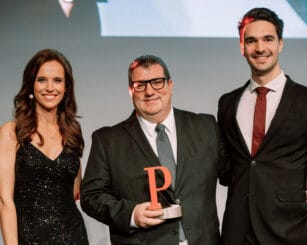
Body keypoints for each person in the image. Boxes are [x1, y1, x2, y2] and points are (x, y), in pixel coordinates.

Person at [80, 55, 221, 245]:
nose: (149, 91)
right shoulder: (108, 140)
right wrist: (130, 214)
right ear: (131, 90)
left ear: (170, 85)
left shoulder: (205, 126)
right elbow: (91, 197)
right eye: (140, 85)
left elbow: (235, 174)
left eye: (157, 82)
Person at [217, 7, 307, 245]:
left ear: (280, 44)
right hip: (237, 234)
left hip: (291, 232)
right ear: (242, 47)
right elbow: (227, 172)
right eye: (251, 41)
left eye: (268, 39)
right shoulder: (227, 103)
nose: (260, 48)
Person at [0, 49, 89, 244]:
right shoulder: (11, 132)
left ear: (66, 87)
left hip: (73, 237)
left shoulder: (72, 133)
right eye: (41, 80)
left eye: (57, 80)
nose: (50, 87)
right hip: (30, 238)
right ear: (31, 86)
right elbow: (5, 201)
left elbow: (75, 190)